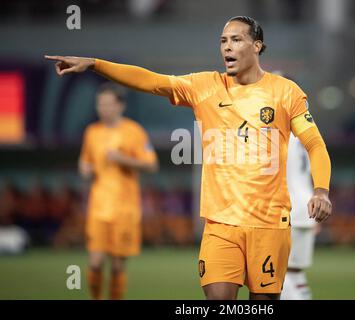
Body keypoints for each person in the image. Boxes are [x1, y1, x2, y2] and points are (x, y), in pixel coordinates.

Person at [45, 15, 332, 300]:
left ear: (256, 46)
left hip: (269, 224)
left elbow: (314, 144)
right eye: (223, 41)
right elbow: (152, 81)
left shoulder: (285, 92)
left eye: (236, 40)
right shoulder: (204, 86)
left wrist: (321, 190)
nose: (227, 47)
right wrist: (96, 65)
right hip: (220, 225)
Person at [79, 82, 159, 300]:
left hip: (126, 209)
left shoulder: (134, 131)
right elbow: (85, 162)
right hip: (98, 208)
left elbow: (152, 165)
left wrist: (122, 159)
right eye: (100, 104)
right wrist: (85, 169)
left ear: (120, 106)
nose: (103, 108)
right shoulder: (91, 132)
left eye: (108, 104)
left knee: (116, 267)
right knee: (95, 263)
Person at [281, 133, 318, 300]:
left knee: (277, 273)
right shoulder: (305, 134)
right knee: (295, 272)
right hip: (307, 206)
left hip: (288, 209)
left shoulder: (279, 131)